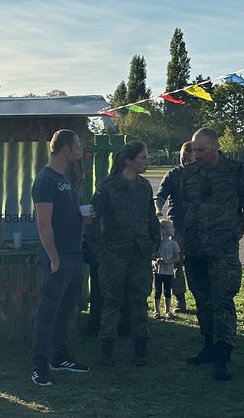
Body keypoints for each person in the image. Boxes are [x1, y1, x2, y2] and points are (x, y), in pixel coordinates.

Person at [181, 128, 244, 381]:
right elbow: (184, 208)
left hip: (222, 249)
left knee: (223, 300)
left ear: (215, 147)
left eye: (201, 150)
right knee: (202, 299)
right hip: (195, 248)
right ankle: (208, 346)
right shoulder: (189, 173)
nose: (196, 154)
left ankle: (223, 355)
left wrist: (235, 233)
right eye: (193, 149)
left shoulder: (237, 170)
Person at [89, 141, 160, 367]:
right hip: (114, 253)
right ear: (129, 161)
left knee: (139, 300)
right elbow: (92, 217)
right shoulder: (108, 186)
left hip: (139, 253)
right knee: (112, 301)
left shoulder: (144, 186)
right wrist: (98, 247)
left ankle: (140, 349)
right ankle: (107, 349)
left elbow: (150, 217)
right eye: (142, 158)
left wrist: (154, 242)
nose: (146, 162)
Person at [30, 129, 90, 386]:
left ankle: (59, 357)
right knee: (48, 313)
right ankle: (39, 367)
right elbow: (43, 224)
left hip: (74, 255)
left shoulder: (65, 178)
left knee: (65, 311)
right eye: (77, 146)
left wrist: (83, 217)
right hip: (58, 258)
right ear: (66, 149)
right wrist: (54, 258)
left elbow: (65, 216)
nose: (79, 151)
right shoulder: (45, 179)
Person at [154, 141, 194, 312]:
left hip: (200, 226)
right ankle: (180, 299)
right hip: (177, 225)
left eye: (188, 159)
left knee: (196, 263)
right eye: (182, 159)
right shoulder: (173, 175)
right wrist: (158, 209)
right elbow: (160, 195)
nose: (185, 162)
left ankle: (203, 298)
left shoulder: (204, 173)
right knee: (176, 263)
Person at [153, 218, 181, 319]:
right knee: (157, 291)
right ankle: (156, 310)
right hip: (158, 271)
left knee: (167, 290)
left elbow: (177, 257)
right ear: (163, 230)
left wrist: (168, 261)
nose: (173, 229)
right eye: (170, 227)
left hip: (169, 272)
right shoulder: (157, 243)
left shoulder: (174, 244)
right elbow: (152, 256)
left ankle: (167, 310)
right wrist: (156, 260)